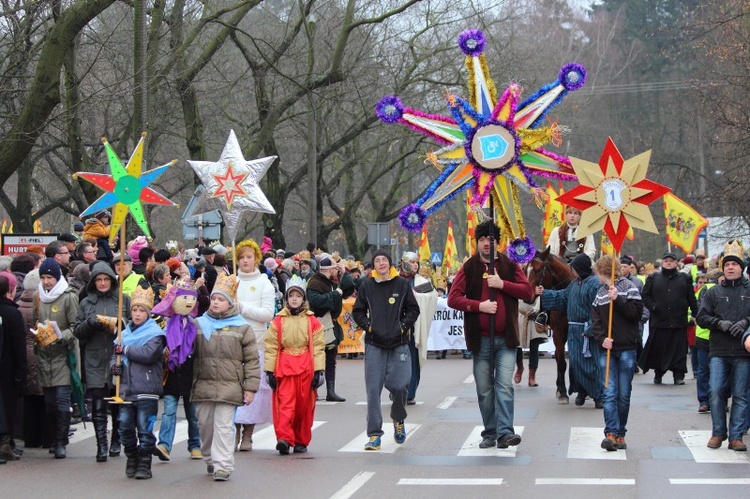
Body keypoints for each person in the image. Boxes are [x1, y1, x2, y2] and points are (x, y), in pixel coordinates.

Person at [447, 221, 533, 449]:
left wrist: (502, 284)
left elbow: (527, 291)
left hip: (506, 339)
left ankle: (506, 432)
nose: (487, 244)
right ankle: (490, 432)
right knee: (484, 389)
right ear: (477, 243)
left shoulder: (509, 265)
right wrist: (479, 306)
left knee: (504, 385)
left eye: (491, 240)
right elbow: (453, 299)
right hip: (481, 339)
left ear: (498, 242)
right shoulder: (469, 267)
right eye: (483, 240)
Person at [192, 273, 260, 481]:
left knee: (223, 426)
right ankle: (209, 458)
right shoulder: (198, 325)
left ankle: (223, 464)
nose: (215, 303)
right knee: (205, 426)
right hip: (203, 385)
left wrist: (250, 388)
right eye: (213, 299)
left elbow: (251, 360)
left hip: (230, 386)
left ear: (230, 303)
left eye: (221, 299)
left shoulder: (242, 328)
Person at [353, 249, 420, 450]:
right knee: (373, 391)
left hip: (399, 344)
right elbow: (357, 311)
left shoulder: (401, 284)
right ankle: (374, 435)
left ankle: (398, 419)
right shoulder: (367, 285)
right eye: (377, 260)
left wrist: (402, 326)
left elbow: (413, 309)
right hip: (375, 345)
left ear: (390, 263)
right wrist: (369, 327)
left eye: (384, 260)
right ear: (373, 265)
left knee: (400, 387)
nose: (381, 263)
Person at [74, 261, 131, 462]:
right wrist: (90, 324)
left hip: (116, 357)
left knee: (116, 402)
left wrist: (121, 325)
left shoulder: (123, 299)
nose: (103, 283)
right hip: (95, 356)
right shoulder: (86, 303)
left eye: (106, 279)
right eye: (99, 280)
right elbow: (77, 332)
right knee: (98, 403)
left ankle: (116, 439)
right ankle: (101, 445)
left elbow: (133, 325)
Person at [696, 240, 750, 451]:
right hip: (718, 350)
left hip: (743, 352)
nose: (730, 267)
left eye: (734, 264)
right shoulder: (713, 292)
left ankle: (736, 436)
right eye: (727, 264)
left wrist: (745, 322)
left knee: (740, 394)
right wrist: (719, 323)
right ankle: (718, 433)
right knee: (716, 390)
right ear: (722, 268)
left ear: (741, 267)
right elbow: (701, 317)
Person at [264, 276, 325, 455]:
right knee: (286, 404)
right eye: (292, 296)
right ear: (286, 299)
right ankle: (284, 438)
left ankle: (301, 440)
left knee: (304, 406)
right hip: (285, 368)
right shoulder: (278, 322)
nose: (295, 299)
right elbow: (271, 346)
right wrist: (269, 370)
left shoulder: (312, 321)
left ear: (303, 299)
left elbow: (318, 347)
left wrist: (319, 370)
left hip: (306, 368)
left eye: (298, 296)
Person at [111, 286, 165, 479]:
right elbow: (114, 356)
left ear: (148, 313)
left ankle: (144, 463)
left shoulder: (155, 334)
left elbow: (148, 354)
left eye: (142, 310)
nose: (137, 314)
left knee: (145, 428)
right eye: (135, 310)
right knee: (125, 426)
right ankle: (131, 456)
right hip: (126, 388)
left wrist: (124, 350)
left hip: (146, 388)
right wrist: (114, 368)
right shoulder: (123, 334)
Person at [591, 255, 643, 451]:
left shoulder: (629, 287)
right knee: (609, 392)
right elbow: (595, 322)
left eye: (598, 273)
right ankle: (610, 433)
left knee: (623, 394)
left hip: (627, 347)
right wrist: (601, 338)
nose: (597, 277)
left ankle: (621, 433)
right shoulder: (599, 293)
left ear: (604, 272)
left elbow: (636, 314)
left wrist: (618, 299)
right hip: (608, 350)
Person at [536, 253, 602, 406]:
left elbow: (597, 308)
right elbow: (562, 297)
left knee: (590, 363)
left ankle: (598, 395)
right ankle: (581, 391)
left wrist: (593, 327)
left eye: (575, 269)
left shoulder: (594, 284)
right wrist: (544, 293)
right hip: (574, 331)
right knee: (576, 363)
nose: (573, 272)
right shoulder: (574, 284)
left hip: (587, 330)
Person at [33, 259, 79, 458]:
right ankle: (55, 436)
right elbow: (37, 320)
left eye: (49, 277)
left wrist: (61, 336)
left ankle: (61, 442)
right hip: (45, 355)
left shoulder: (68, 297)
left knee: (61, 400)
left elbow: (75, 326)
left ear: (57, 277)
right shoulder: (38, 296)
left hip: (63, 355)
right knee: (49, 403)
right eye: (43, 278)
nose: (46, 282)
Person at [152, 280, 202, 462]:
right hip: (171, 375)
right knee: (169, 412)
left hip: (190, 375)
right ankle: (164, 444)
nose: (188, 302)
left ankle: (195, 445)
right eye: (183, 298)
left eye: (191, 299)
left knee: (193, 415)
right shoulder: (164, 325)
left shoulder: (195, 325)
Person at [233, 240, 275, 451]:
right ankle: (234, 430)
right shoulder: (231, 281)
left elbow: (267, 314)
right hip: (232, 342)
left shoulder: (264, 284)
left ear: (256, 258)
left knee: (253, 387)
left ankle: (248, 433)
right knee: (233, 386)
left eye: (249, 257)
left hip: (256, 341)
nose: (245, 261)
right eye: (241, 258)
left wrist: (242, 308)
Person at [639, 251, 698, 385]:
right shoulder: (653, 278)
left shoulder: (684, 278)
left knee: (679, 350)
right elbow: (645, 296)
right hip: (659, 321)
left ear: (676, 263)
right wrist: (653, 307)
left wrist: (695, 313)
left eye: (672, 260)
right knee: (659, 349)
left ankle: (678, 375)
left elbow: (691, 298)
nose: (669, 262)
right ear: (663, 263)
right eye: (666, 260)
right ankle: (658, 373)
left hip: (678, 321)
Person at [307, 255, 356, 402]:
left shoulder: (330, 282)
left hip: (331, 324)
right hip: (318, 325)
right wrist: (336, 293)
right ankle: (312, 391)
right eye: (335, 268)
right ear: (329, 269)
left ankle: (331, 391)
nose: (336, 271)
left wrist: (344, 273)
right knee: (315, 360)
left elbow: (348, 288)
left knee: (330, 360)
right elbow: (318, 301)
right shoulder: (314, 283)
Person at [398, 252, 438, 405]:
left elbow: (432, 296)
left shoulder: (422, 282)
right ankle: (397, 389)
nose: (415, 265)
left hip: (414, 327)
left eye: (417, 262)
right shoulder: (395, 279)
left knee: (413, 360)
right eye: (412, 262)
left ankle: (409, 393)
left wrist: (417, 295)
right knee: (395, 361)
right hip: (396, 326)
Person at [0, 273, 26, 462]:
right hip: (7, 369)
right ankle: (5, 443)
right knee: (8, 406)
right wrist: (21, 372)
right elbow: (19, 346)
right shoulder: (12, 313)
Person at [694, 269, 721, 414]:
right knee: (709, 370)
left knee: (706, 371)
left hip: (710, 336)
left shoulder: (702, 290)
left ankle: (708, 401)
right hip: (709, 335)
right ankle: (709, 401)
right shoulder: (710, 291)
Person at [515, 296, 548, 387]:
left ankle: (532, 376)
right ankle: (519, 368)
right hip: (520, 316)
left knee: (534, 348)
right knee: (517, 346)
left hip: (534, 319)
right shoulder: (519, 282)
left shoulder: (538, 286)